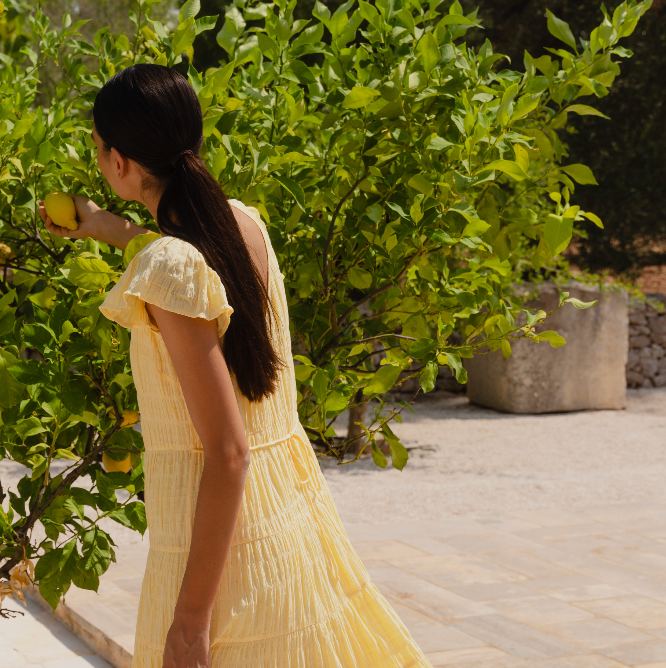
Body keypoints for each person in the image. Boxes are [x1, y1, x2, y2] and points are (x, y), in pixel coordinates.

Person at [38, 64, 429, 668]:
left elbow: (227, 452)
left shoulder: (171, 267)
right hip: (281, 531)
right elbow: (188, 263)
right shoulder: (243, 223)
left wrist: (190, 623)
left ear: (119, 161)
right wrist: (106, 228)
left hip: (216, 570)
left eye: (96, 148)